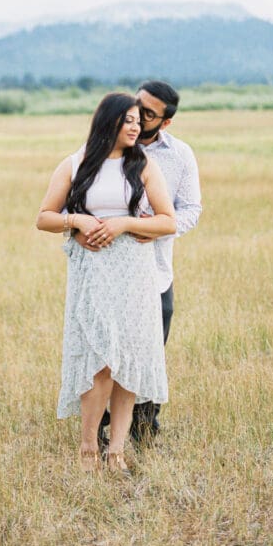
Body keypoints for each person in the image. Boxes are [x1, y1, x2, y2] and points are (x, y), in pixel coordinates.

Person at [36, 92, 176, 475]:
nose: (135, 127)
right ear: (108, 122)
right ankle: (87, 449)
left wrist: (125, 223)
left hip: (133, 273)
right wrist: (76, 221)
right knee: (99, 363)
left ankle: (116, 452)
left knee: (127, 362)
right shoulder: (75, 163)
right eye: (128, 120)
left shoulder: (143, 164)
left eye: (138, 121)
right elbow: (44, 217)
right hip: (93, 272)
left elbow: (168, 221)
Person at [75, 80, 202, 446]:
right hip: (105, 271)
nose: (138, 116)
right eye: (136, 107)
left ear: (165, 123)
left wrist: (158, 230)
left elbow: (191, 209)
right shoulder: (99, 153)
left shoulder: (179, 155)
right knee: (103, 351)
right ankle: (98, 432)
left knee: (146, 351)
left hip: (155, 270)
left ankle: (144, 428)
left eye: (148, 113)